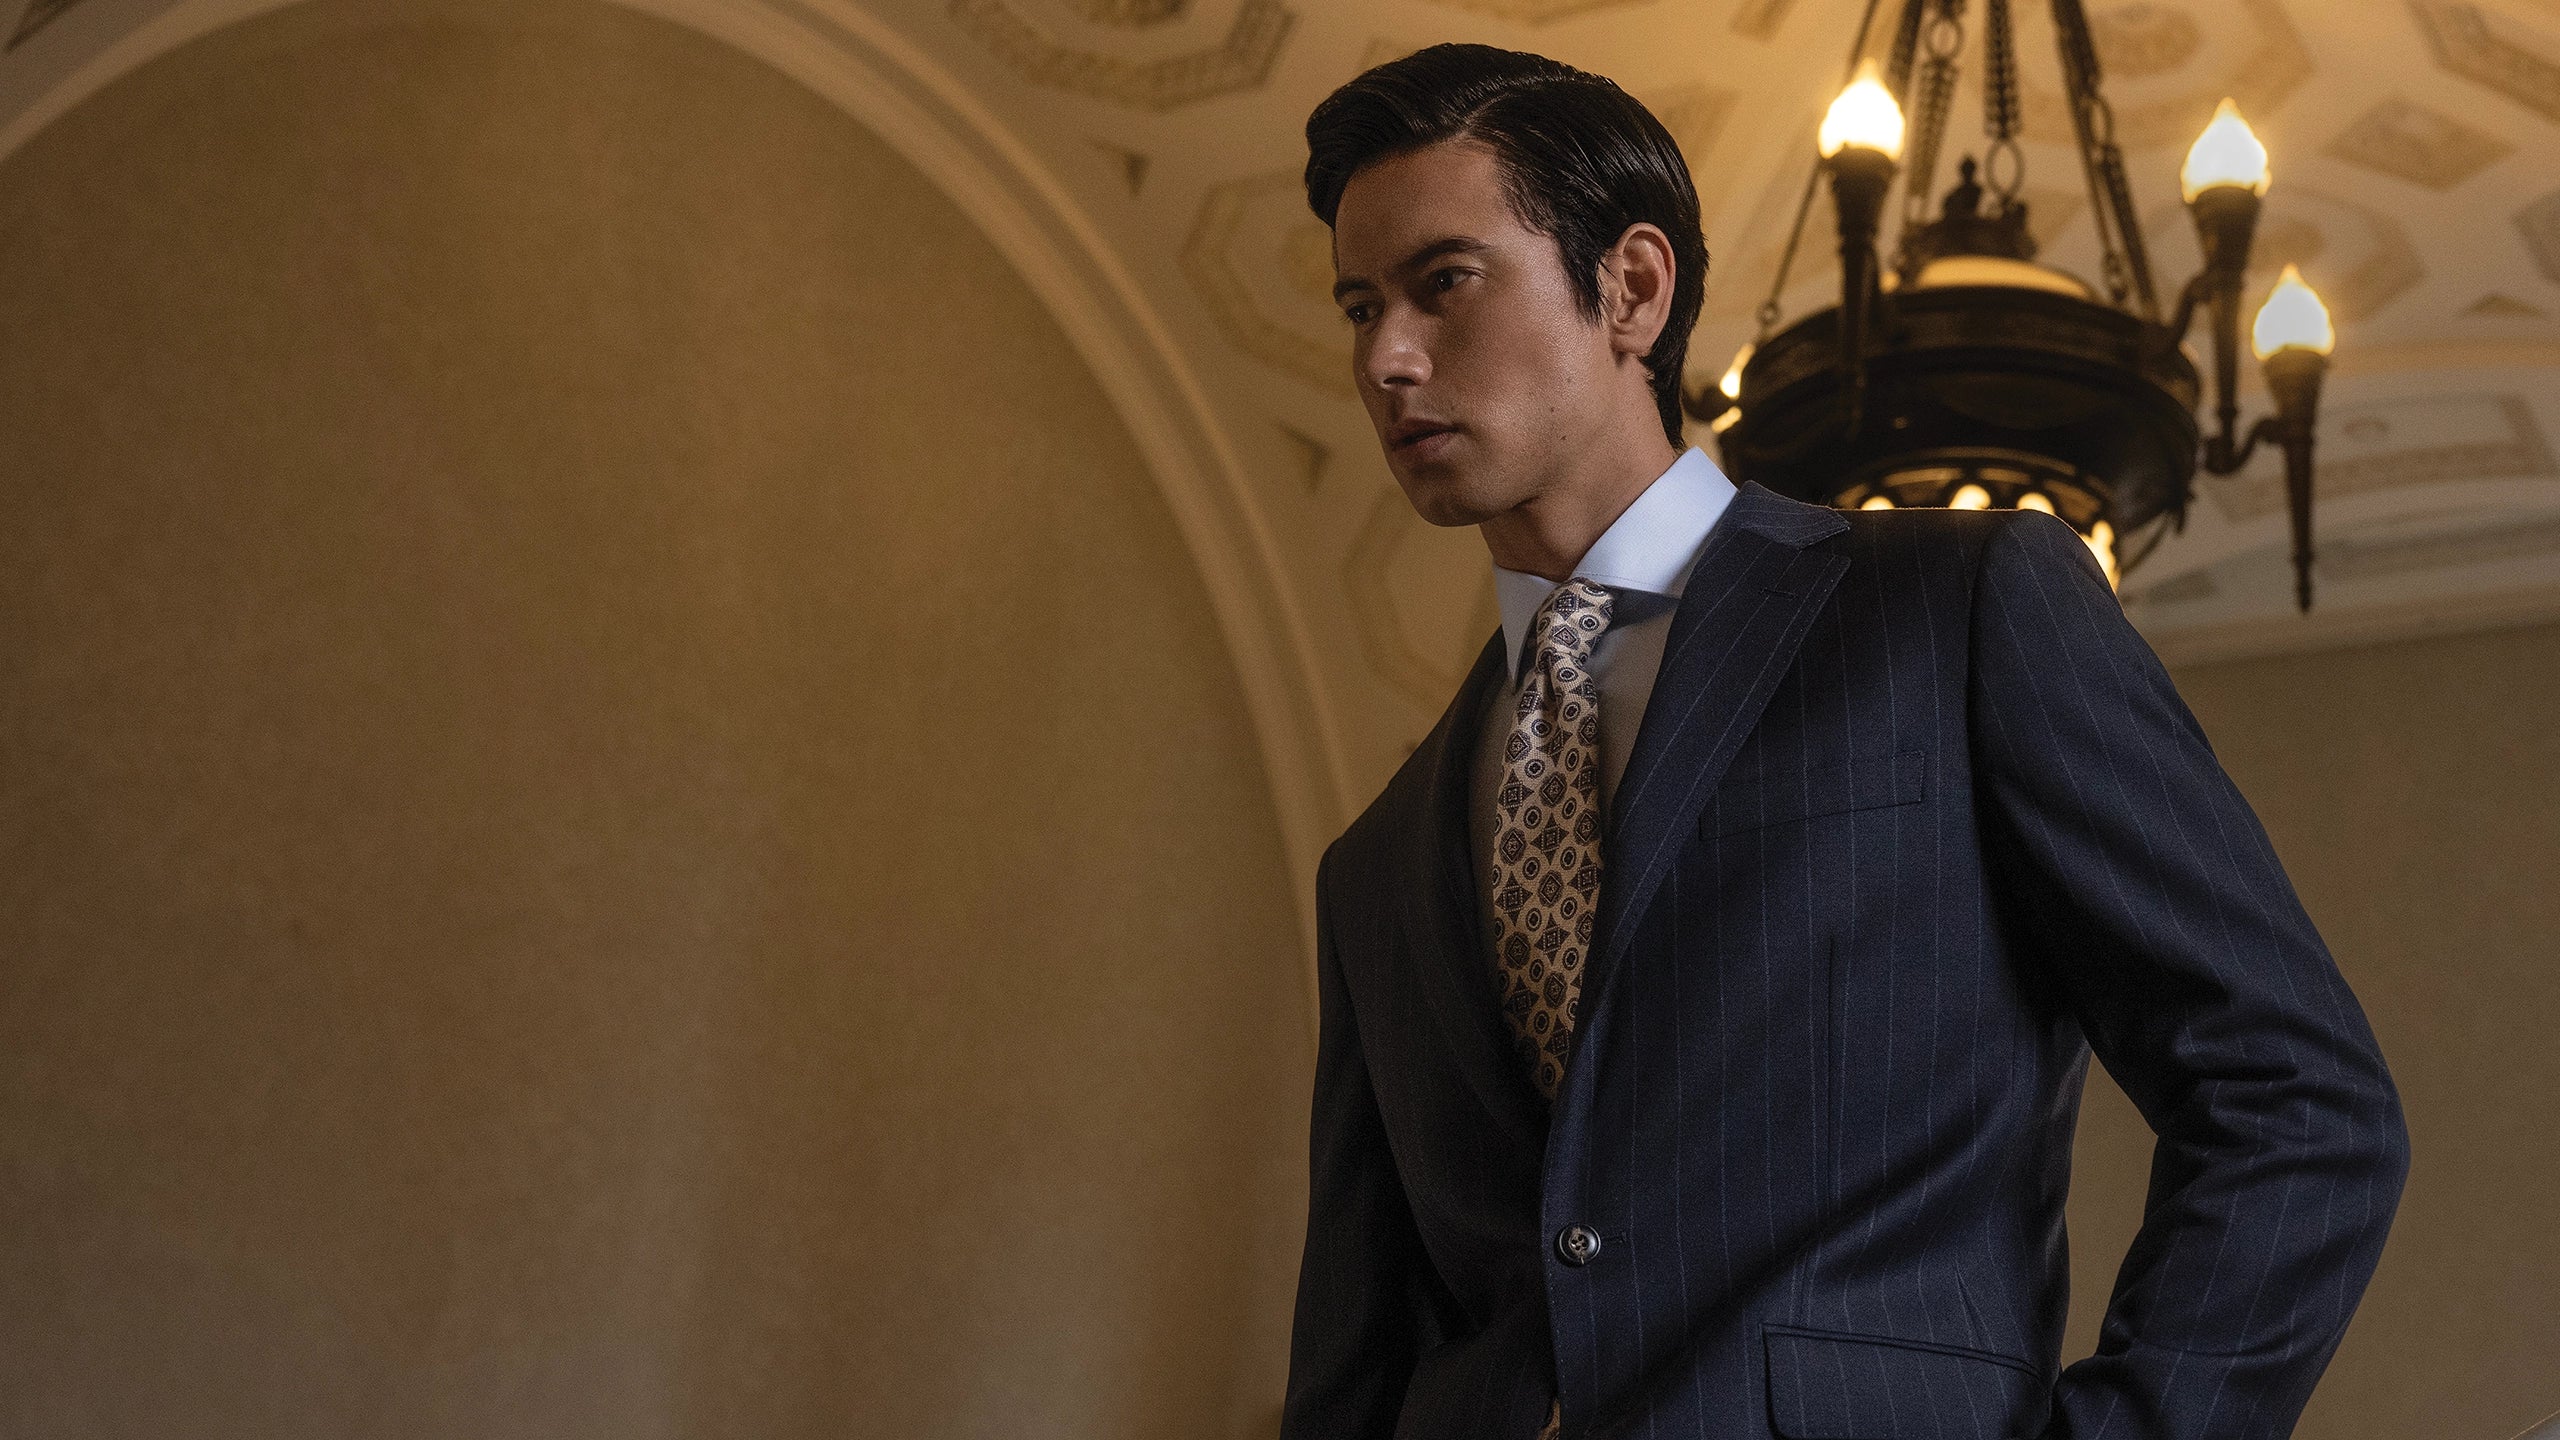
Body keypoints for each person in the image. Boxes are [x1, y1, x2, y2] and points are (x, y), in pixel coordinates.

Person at [1282, 42, 2409, 1440]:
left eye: (1443, 282)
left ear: (1632, 288)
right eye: (1358, 305)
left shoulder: (1965, 609)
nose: (1385, 358)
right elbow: (1358, 1344)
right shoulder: (1377, 861)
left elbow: (2299, 1104)